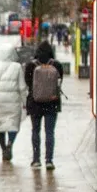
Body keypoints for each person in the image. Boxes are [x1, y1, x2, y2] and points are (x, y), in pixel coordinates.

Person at [24, 40, 64, 171]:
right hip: (52, 104)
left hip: (35, 103)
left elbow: (28, 83)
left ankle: (36, 159)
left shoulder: (31, 65)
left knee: (35, 131)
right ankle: (49, 160)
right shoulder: (56, 65)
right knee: (49, 132)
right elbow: (59, 82)